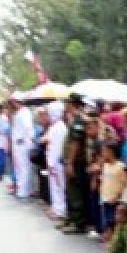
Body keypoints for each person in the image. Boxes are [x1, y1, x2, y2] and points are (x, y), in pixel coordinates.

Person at [60, 95, 90, 234]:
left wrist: (70, 163)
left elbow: (75, 143)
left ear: (72, 103)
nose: (65, 105)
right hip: (73, 161)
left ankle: (78, 223)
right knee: (70, 191)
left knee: (75, 192)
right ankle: (72, 219)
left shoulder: (79, 120)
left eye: (66, 102)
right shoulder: (74, 119)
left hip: (77, 162)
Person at [42, 102, 67, 221]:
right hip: (53, 161)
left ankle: (60, 210)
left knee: (58, 186)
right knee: (55, 187)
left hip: (56, 162)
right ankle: (57, 208)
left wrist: (51, 163)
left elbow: (56, 147)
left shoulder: (59, 127)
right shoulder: (55, 126)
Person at [98, 141, 127, 244]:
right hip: (105, 198)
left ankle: (112, 244)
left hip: (114, 200)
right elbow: (103, 181)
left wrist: (117, 196)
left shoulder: (120, 166)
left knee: (113, 222)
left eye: (105, 152)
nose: (103, 154)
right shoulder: (105, 166)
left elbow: (124, 184)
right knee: (107, 221)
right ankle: (109, 243)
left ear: (111, 152)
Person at [10, 99, 35, 198]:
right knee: (22, 167)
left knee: (23, 167)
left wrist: (31, 140)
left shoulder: (24, 113)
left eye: (14, 102)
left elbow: (28, 128)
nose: (13, 104)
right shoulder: (21, 112)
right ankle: (25, 189)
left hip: (22, 143)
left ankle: (23, 191)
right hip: (19, 143)